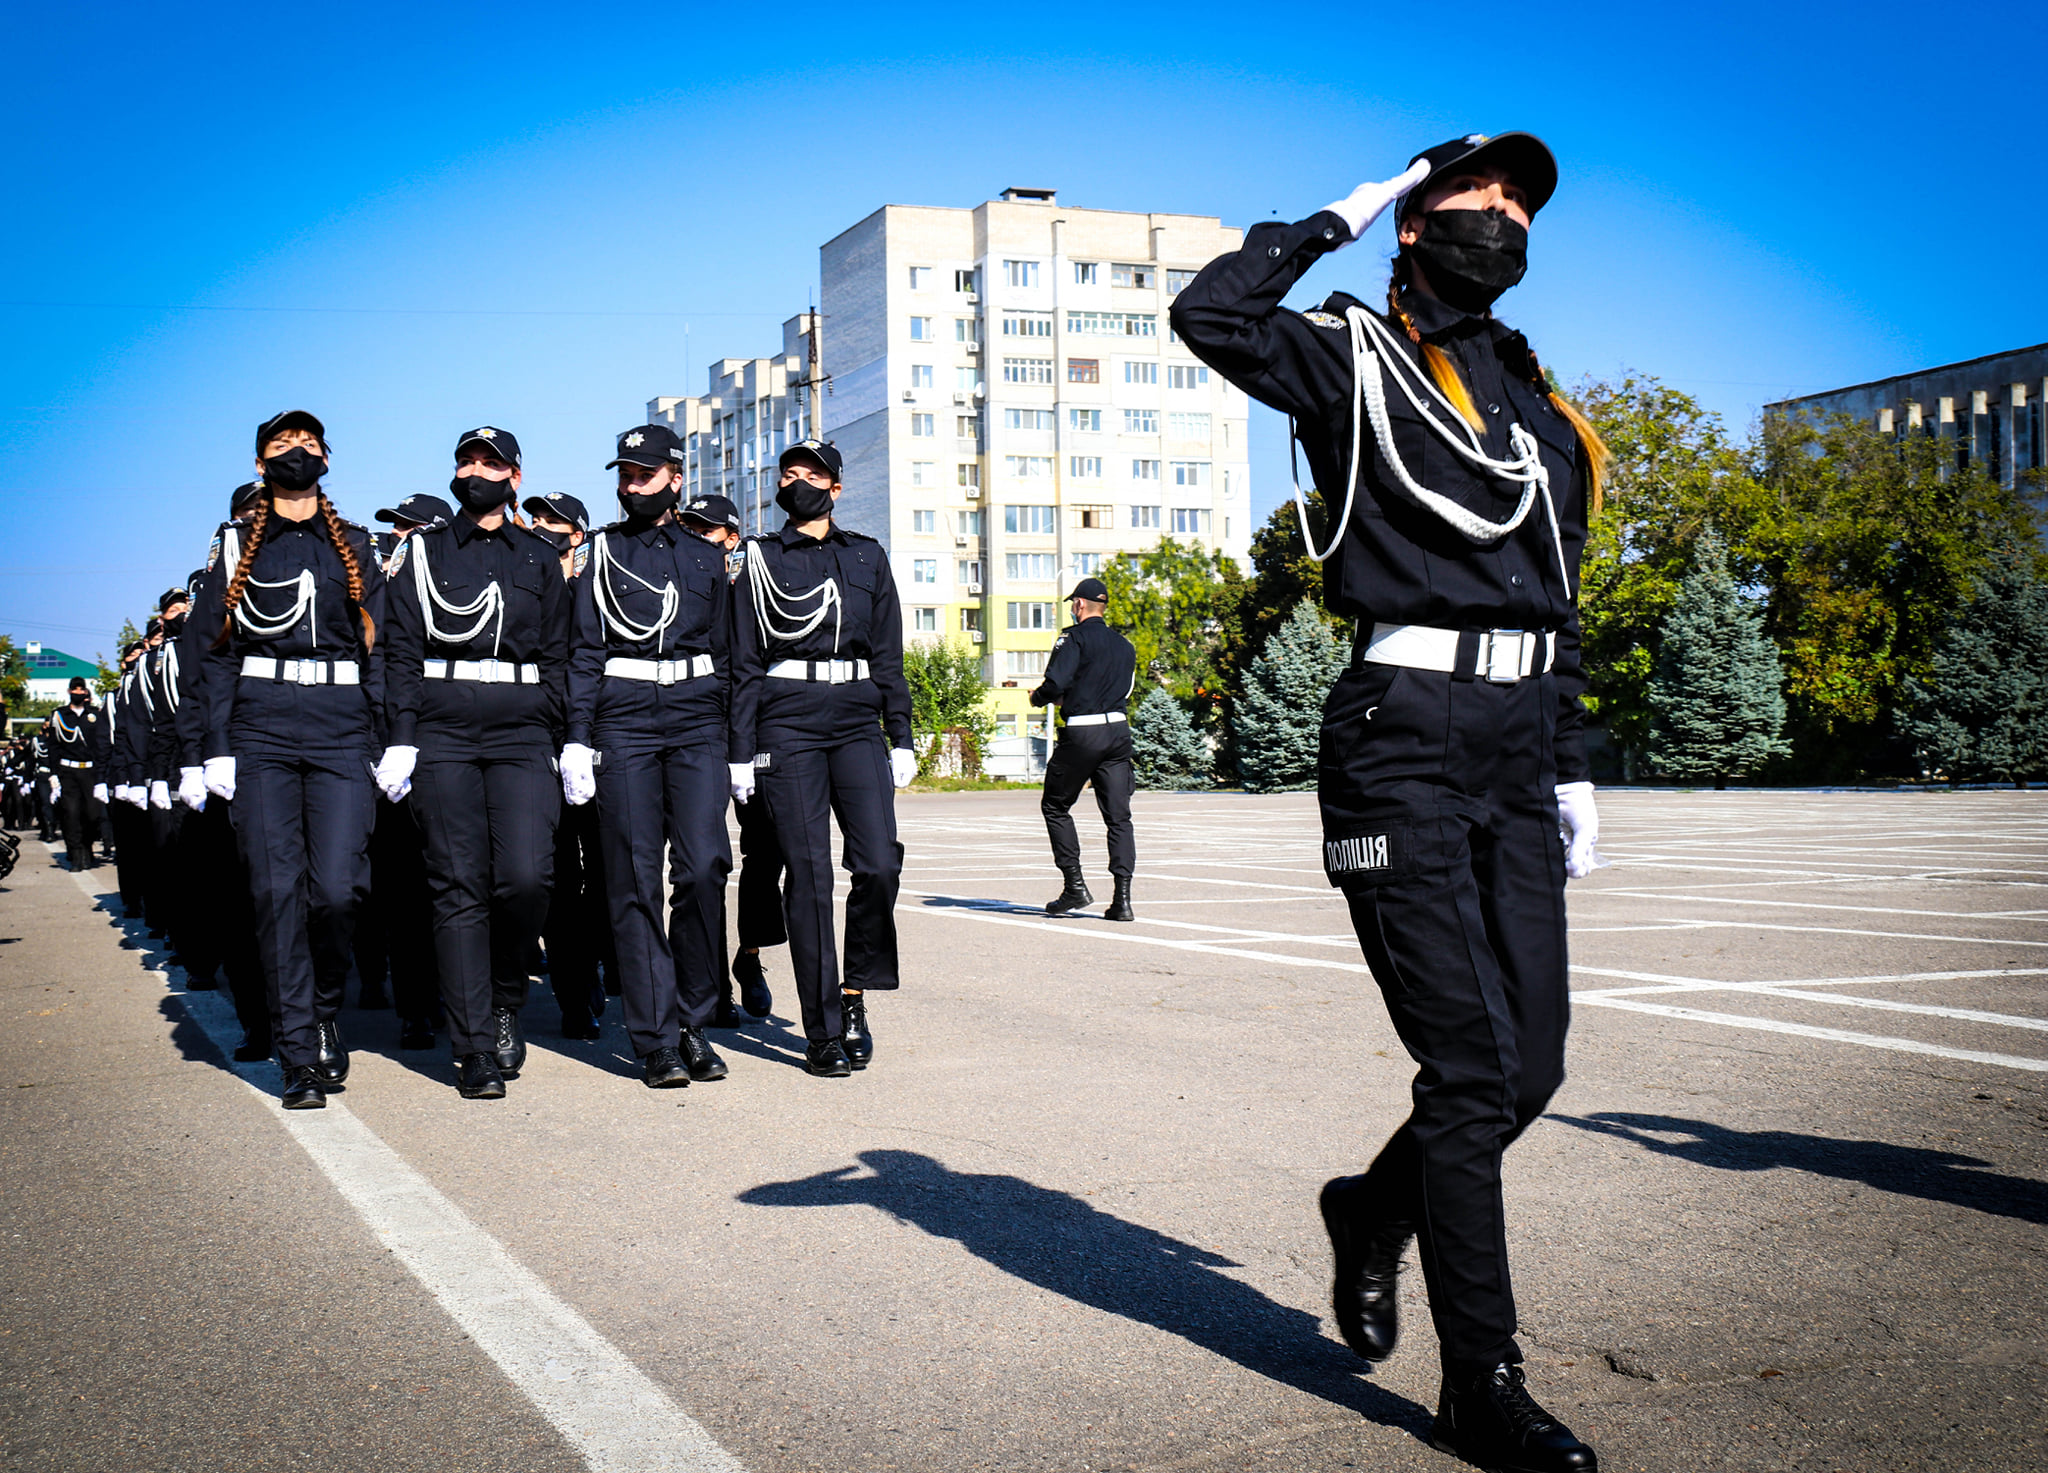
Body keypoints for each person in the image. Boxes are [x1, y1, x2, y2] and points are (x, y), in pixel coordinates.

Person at [1172, 133, 1606, 1473]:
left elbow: (1557, 588)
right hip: (1403, 736)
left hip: (1520, 743)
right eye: (1476, 196)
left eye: (1518, 200)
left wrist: (1574, 754)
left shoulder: (1536, 400)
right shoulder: (1348, 355)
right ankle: (1481, 1381)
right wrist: (1331, 219)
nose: (1504, 215)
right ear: (1415, 224)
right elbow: (1210, 314)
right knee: (1472, 1067)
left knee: (1532, 1062)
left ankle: (1373, 1207)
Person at [192, 412, 384, 1109]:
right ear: (258, 464)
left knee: (336, 892)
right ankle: (298, 1052)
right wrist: (213, 748)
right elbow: (211, 654)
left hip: (340, 729)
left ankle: (325, 1005)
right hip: (262, 731)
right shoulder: (236, 543)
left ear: (327, 460)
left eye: (307, 445)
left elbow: (380, 650)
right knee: (276, 895)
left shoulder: (356, 545)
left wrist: (391, 737)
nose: (296, 454)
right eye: (281, 446)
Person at [380, 426, 568, 1101]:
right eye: (466, 461)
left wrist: (567, 736)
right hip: (443, 730)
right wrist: (401, 735)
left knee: (525, 877)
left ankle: (506, 998)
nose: (475, 471)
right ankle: (473, 1048)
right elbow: (399, 651)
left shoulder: (539, 557)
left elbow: (560, 654)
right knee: (457, 884)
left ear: (515, 476)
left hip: (522, 730)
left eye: (490, 462)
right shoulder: (422, 556)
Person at [728, 439, 914, 1077]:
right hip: (788, 721)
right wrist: (741, 749)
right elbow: (743, 660)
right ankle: (823, 1030)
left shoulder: (866, 554)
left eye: (813, 474)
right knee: (808, 878)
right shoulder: (757, 558)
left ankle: (855, 992)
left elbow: (888, 650)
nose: (798, 481)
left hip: (858, 718)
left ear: (837, 488)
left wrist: (905, 735)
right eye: (790, 473)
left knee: (880, 863)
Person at [561, 428, 732, 1087]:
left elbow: (727, 651)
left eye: (644, 474)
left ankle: (692, 1016)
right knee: (633, 878)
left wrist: (732, 740)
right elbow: (582, 648)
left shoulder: (705, 555)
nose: (632, 485)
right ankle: (656, 1037)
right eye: (625, 474)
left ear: (674, 478)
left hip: (694, 718)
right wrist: (579, 735)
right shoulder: (599, 553)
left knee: (705, 866)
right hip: (624, 716)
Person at [680, 491, 777, 1025]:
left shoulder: (758, 583)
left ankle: (750, 956)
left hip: (762, 731)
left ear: (732, 540)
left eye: (707, 532)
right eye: (688, 529)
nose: (695, 540)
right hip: (701, 729)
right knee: (705, 860)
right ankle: (710, 983)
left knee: (768, 850)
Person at [522, 489, 611, 1041]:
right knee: (556, 878)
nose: (539, 526)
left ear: (577, 535)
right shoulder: (521, 592)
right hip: (539, 748)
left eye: (553, 521)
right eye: (533, 518)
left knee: (605, 874)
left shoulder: (595, 591)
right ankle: (574, 997)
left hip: (601, 750)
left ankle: (600, 963)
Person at [1030, 576, 1137, 921]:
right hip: (1118, 732)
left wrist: (1039, 697)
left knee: (1055, 806)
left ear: (1078, 605)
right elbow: (1123, 689)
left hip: (1083, 733)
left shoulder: (1072, 637)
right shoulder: (1125, 645)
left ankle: (1074, 886)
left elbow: (1057, 682)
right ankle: (1122, 900)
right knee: (1119, 818)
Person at [48, 676, 110, 869]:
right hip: (68, 771)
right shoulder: (59, 715)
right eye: (74, 689)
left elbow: (101, 744)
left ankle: (87, 846)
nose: (78, 692)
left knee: (93, 814)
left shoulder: (94, 714)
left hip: (90, 771)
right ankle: (76, 855)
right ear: (69, 692)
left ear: (85, 692)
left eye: (81, 690)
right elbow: (53, 746)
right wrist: (53, 774)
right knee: (71, 814)